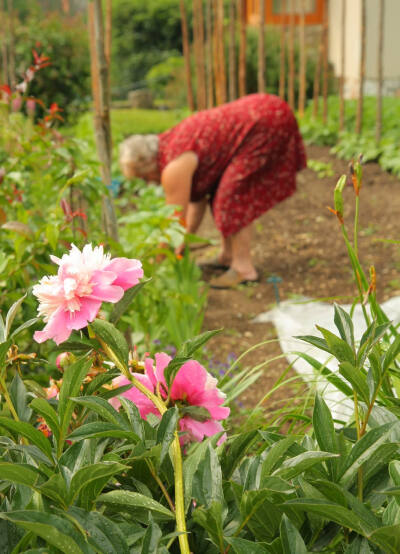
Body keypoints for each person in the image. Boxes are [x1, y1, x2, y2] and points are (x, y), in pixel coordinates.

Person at [119, 93, 306, 288]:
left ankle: (244, 269)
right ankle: (227, 256)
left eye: (144, 177)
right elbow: (196, 202)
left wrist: (155, 262)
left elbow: (174, 219)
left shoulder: (174, 167)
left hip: (265, 122)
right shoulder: (169, 146)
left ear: (147, 163)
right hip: (265, 111)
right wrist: (183, 241)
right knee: (220, 191)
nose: (149, 183)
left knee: (232, 196)